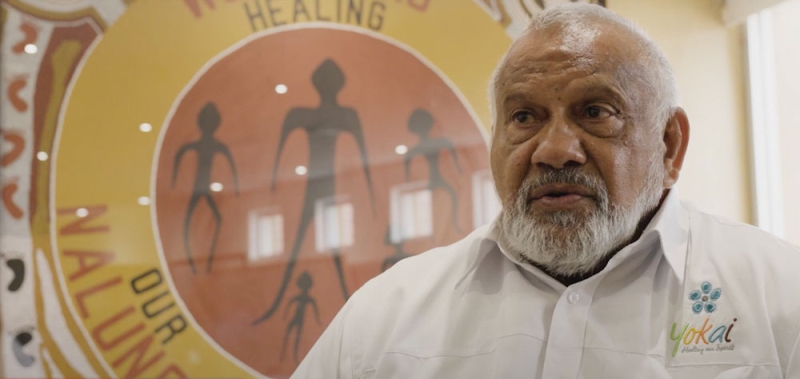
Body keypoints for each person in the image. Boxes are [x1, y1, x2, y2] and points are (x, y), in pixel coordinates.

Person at [291, 4, 800, 378]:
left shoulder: (779, 296)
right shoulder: (385, 317)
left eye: (595, 111)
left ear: (669, 145)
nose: (554, 150)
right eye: (524, 117)